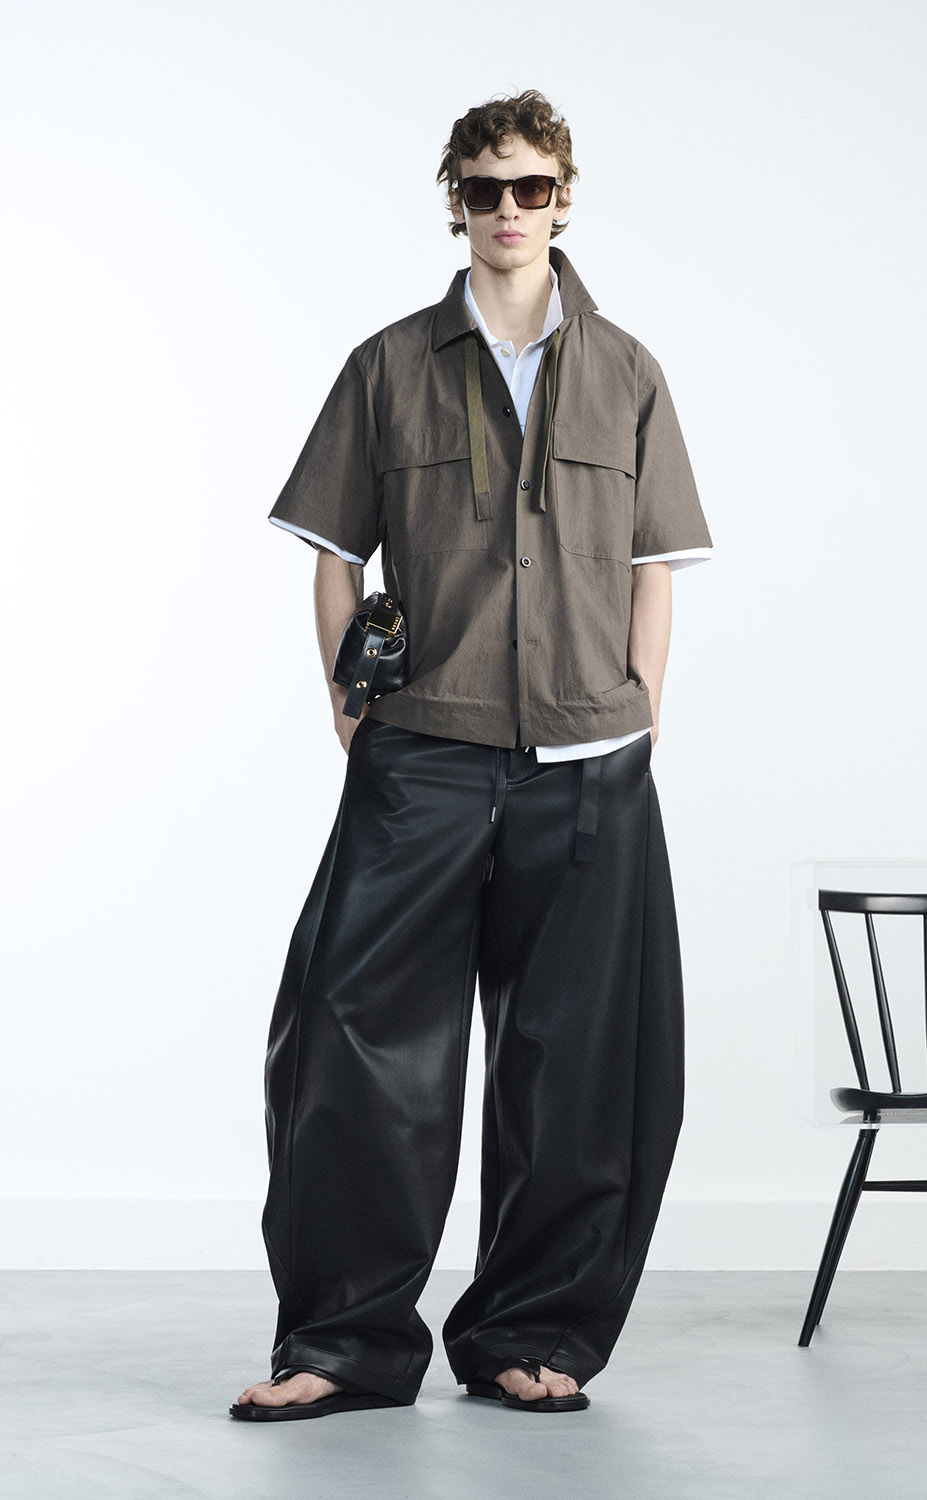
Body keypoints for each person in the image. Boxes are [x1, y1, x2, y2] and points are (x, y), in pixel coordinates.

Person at [231, 88, 712, 1421]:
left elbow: (654, 563)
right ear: (455, 200)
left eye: (533, 187)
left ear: (564, 199)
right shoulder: (388, 365)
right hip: (424, 751)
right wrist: (348, 697)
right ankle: (344, 1344)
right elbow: (336, 551)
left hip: (589, 759)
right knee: (353, 1039)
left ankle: (529, 1331)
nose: (510, 210)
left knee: (577, 1061)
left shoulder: (628, 371)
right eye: (487, 188)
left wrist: (643, 704)